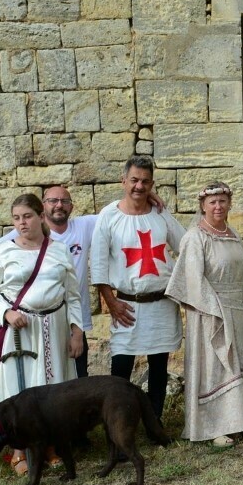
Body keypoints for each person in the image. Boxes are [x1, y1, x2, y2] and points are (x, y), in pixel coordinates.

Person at [0, 193, 84, 472]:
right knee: (19, 391)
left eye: (26, 216)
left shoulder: (58, 250)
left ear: (40, 216)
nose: (22, 223)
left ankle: (50, 448)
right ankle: (19, 453)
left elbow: (73, 295)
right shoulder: (4, 251)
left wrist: (77, 332)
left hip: (55, 328)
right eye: (16, 218)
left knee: (54, 391)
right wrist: (6, 312)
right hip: (20, 331)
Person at [0, 184, 122, 379]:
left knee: (68, 383)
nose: (59, 205)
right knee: (28, 384)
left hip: (62, 323)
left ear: (71, 207)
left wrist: (147, 195)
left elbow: (117, 211)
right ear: (43, 207)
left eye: (64, 201)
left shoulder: (75, 234)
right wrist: (19, 246)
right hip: (24, 325)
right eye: (52, 201)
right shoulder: (11, 242)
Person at [90, 156, 185, 420]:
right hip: (127, 305)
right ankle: (119, 426)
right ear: (124, 181)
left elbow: (186, 244)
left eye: (145, 181)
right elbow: (98, 265)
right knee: (121, 367)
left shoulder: (160, 213)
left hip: (161, 303)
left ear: (152, 184)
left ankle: (155, 422)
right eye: (134, 180)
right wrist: (111, 303)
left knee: (158, 366)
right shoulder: (109, 216)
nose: (139, 186)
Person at [165, 181, 243, 446]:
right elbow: (192, 279)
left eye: (222, 201)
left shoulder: (233, 235)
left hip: (235, 309)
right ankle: (213, 427)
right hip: (208, 312)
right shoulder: (195, 237)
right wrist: (214, 310)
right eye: (212, 202)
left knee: (234, 364)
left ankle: (237, 421)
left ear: (229, 204)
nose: (218, 206)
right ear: (203, 206)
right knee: (214, 367)